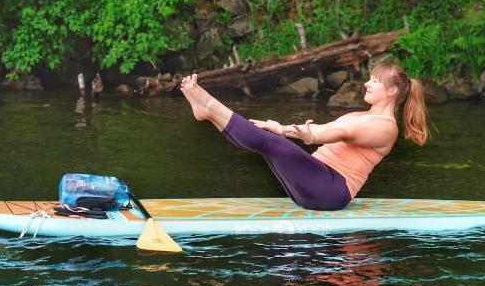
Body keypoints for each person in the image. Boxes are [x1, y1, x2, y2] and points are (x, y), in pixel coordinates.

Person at [180, 63, 428, 211]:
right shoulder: (360, 114)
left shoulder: (386, 127)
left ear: (392, 91)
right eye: (370, 78)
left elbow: (334, 133)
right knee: (269, 144)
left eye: (374, 81)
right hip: (319, 184)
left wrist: (309, 135)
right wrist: (280, 128)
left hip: (332, 189)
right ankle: (209, 114)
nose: (366, 83)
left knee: (273, 145)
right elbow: (320, 128)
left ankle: (211, 107)